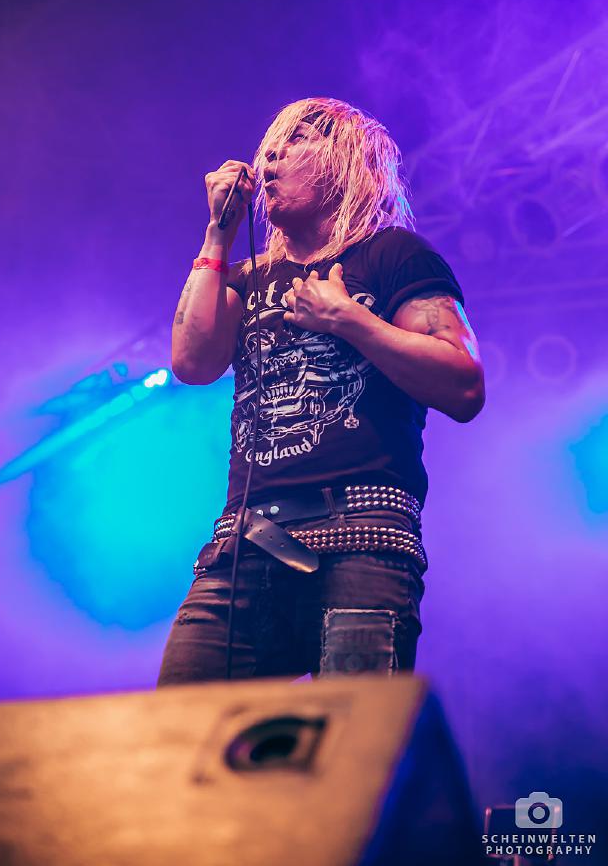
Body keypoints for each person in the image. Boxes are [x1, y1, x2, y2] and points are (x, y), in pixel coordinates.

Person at [157, 96, 485, 685]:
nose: (272, 157)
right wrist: (217, 235)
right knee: (181, 725)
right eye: (269, 149)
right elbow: (191, 362)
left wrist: (350, 321)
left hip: (364, 533)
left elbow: (463, 383)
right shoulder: (248, 277)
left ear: (344, 159)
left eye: (297, 140)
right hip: (243, 542)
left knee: (351, 731)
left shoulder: (393, 254)